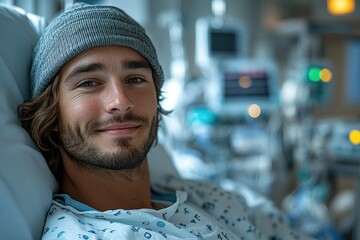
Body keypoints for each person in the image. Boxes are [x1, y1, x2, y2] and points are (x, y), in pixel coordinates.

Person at [18, 3, 312, 240]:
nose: (120, 100)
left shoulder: (204, 196)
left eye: (135, 79)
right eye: (89, 83)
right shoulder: (80, 235)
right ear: (51, 115)